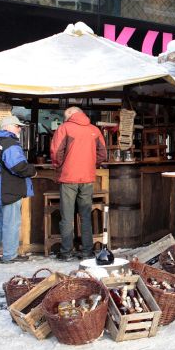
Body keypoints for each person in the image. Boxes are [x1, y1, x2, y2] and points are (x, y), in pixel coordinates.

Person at [50, 106, 107, 260]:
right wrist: (90, 165)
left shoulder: (64, 128)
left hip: (68, 177)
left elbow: (56, 152)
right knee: (86, 216)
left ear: (70, 114)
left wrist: (59, 166)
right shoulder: (94, 130)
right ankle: (87, 251)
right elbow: (103, 154)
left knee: (67, 217)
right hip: (87, 178)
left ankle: (66, 252)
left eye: (65, 115)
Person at [0, 115, 35, 263]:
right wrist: (32, 171)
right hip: (9, 189)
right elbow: (17, 166)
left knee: (1, 222)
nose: (19, 129)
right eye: (17, 126)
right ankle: (10, 255)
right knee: (11, 223)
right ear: (8, 127)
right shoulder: (9, 143)